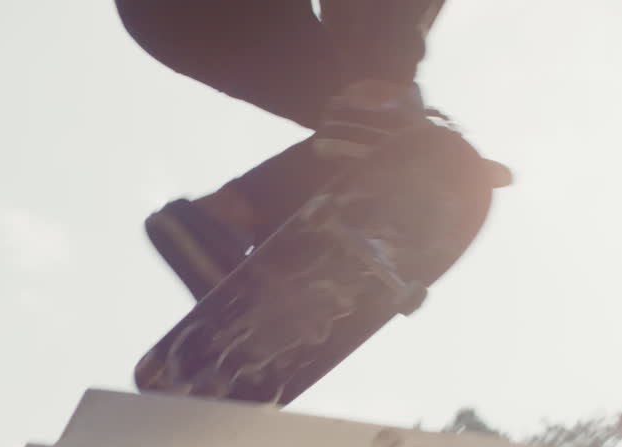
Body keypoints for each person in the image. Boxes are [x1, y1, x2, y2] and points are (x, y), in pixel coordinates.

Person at [115, 0, 453, 300]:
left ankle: (225, 221)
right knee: (375, 118)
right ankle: (376, 105)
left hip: (168, 18)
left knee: (373, 136)